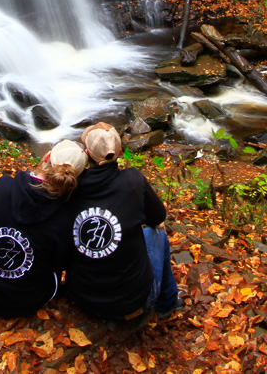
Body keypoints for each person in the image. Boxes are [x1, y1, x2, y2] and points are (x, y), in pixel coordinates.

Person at [65, 122, 181, 323]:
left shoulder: (70, 187)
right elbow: (157, 217)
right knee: (157, 232)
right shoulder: (132, 181)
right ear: (119, 152)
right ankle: (167, 302)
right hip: (132, 301)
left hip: (83, 297)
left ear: (87, 154)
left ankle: (167, 301)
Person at [0, 139, 88, 318]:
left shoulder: (3, 186)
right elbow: (60, 264)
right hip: (27, 301)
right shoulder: (64, 218)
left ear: (46, 157)